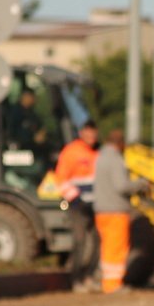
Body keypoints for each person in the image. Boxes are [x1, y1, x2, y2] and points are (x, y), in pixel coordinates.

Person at [92, 130, 147, 294]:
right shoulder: (116, 160)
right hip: (115, 210)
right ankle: (113, 284)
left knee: (107, 247)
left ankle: (104, 281)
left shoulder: (100, 157)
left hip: (101, 210)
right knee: (116, 248)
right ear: (120, 143)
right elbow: (121, 186)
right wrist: (140, 184)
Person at [55, 120, 100, 293]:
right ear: (82, 133)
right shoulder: (71, 151)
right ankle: (76, 279)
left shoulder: (96, 152)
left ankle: (88, 276)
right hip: (77, 205)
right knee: (80, 240)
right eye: (88, 133)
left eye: (94, 133)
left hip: (95, 205)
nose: (91, 137)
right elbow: (61, 179)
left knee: (96, 241)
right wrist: (76, 199)